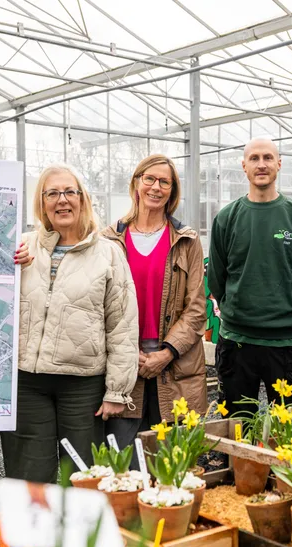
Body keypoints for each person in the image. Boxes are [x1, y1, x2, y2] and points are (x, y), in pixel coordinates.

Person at [8, 164, 138, 483]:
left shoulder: (108, 253)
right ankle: (33, 532)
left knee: (82, 474)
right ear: (42, 203)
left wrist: (117, 391)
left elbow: (122, 325)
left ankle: (79, 533)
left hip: (82, 384)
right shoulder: (22, 247)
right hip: (28, 381)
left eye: (69, 192)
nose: (61, 200)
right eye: (52, 193)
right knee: (29, 472)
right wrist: (7, 266)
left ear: (83, 199)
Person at [101, 155, 206, 462]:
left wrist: (166, 353)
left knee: (172, 462)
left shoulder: (187, 241)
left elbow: (196, 307)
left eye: (164, 182)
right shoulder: (109, 239)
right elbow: (96, 305)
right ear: (136, 184)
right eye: (149, 179)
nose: (155, 187)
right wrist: (124, 351)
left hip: (175, 364)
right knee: (124, 461)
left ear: (172, 192)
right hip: (123, 361)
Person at [208, 138, 292, 416]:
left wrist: (287, 307)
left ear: (279, 164)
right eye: (255, 158)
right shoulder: (227, 217)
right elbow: (217, 278)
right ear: (244, 166)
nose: (262, 164)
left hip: (287, 342)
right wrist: (237, 307)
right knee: (235, 424)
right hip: (237, 341)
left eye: (268, 158)